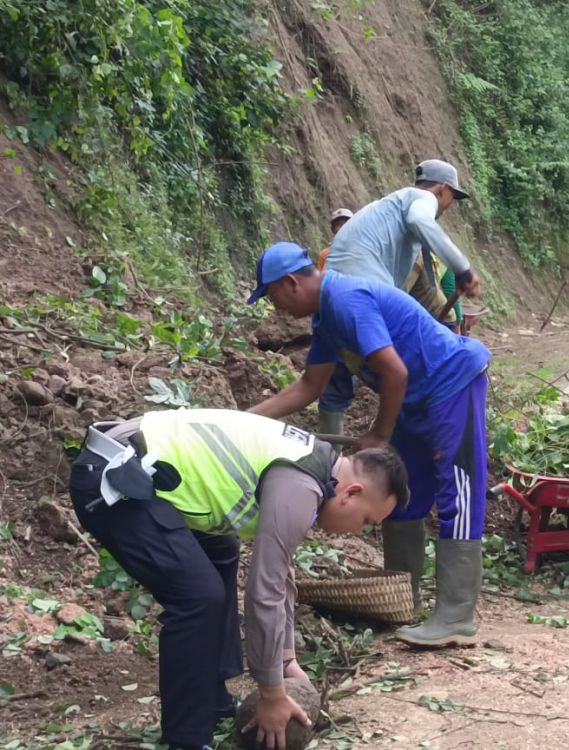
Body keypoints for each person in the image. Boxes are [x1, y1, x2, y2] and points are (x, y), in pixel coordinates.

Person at [69, 408, 407, 750]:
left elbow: (281, 572)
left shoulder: (314, 466)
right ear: (351, 492)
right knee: (199, 598)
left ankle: (212, 699)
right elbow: (266, 591)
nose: (360, 530)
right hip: (115, 479)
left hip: (145, 477)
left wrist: (285, 659)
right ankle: (187, 738)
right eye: (367, 520)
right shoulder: (301, 485)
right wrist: (272, 693)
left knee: (222, 553)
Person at [246, 242, 491, 648]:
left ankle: (456, 615)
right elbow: (309, 387)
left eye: (273, 298)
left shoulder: (346, 300)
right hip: (416, 398)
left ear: (291, 283)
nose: (277, 311)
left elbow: (393, 372)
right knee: (403, 490)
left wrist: (379, 434)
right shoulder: (327, 319)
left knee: (458, 489)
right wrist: (244, 420)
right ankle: (403, 598)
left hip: (451, 383)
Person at [324, 158, 483, 321]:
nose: (451, 204)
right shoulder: (424, 198)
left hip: (329, 287)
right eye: (453, 196)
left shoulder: (395, 203)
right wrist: (463, 270)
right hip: (361, 285)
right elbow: (418, 219)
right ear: (442, 189)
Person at [316, 207, 355, 435]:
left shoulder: (363, 252)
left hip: (357, 322)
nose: (341, 228)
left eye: (345, 223)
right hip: (335, 323)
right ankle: (333, 446)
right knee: (334, 385)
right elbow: (321, 286)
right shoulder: (325, 255)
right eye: (337, 224)